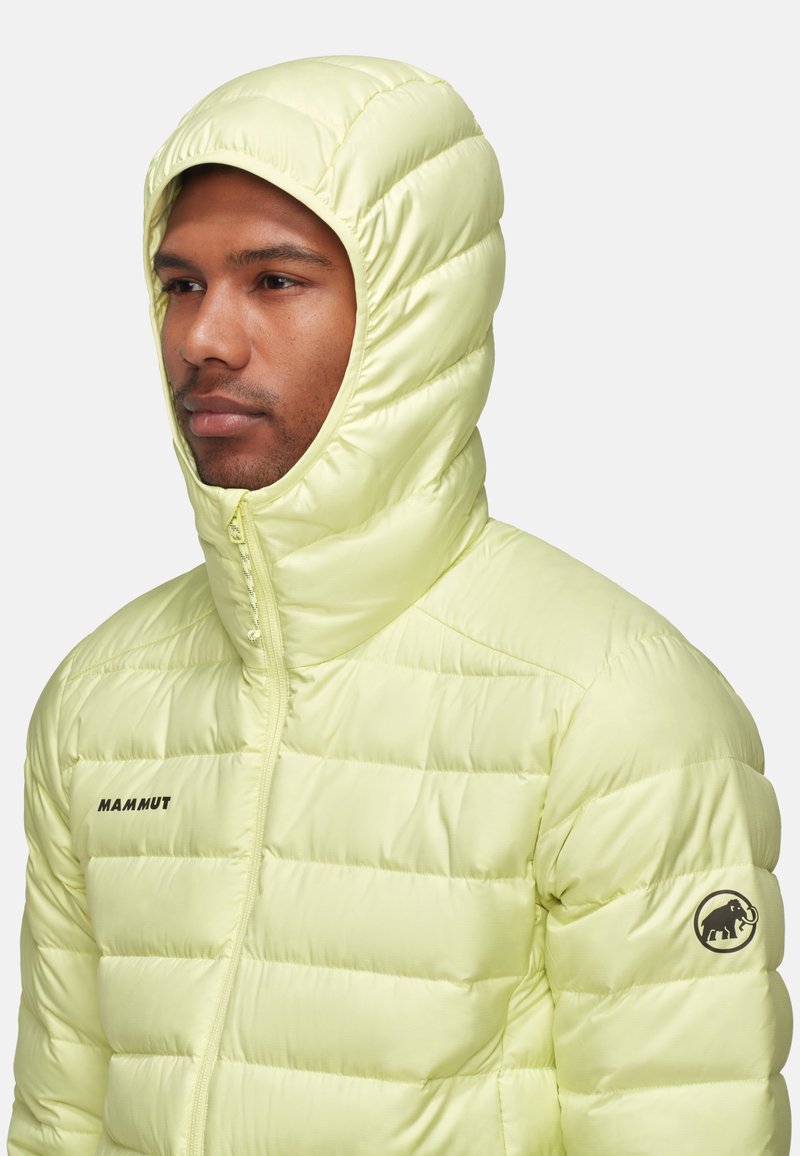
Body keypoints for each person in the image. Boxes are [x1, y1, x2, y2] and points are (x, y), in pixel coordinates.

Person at [7, 55, 791, 1156]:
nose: (203, 338)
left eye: (274, 281)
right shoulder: (99, 703)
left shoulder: (613, 712)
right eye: (180, 285)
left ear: (414, 312)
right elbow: (60, 1125)